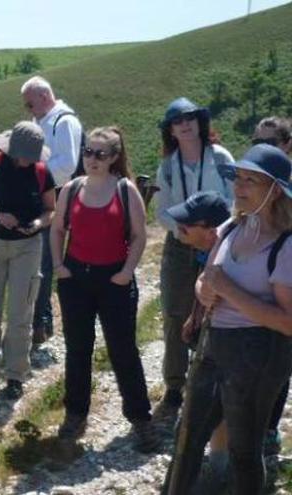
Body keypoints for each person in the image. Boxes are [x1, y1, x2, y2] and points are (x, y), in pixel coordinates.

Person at [165, 144, 292, 494]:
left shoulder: (286, 245)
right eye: (238, 178)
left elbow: (287, 322)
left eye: (251, 180)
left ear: (275, 190)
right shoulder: (231, 228)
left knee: (243, 451)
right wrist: (202, 289)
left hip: (259, 355)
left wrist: (229, 291)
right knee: (186, 438)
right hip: (214, 345)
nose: (239, 187)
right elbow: (208, 278)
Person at [51, 127, 159, 453]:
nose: (92, 159)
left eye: (100, 154)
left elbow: (139, 236)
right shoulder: (71, 189)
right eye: (88, 152)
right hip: (76, 279)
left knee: (123, 350)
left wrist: (127, 272)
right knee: (78, 349)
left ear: (114, 157)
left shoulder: (126, 190)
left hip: (114, 280)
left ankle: (141, 418)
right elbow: (57, 230)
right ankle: (75, 413)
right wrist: (59, 267)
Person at [153, 97, 234, 417]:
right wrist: (185, 230)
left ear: (201, 122)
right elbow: (160, 212)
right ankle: (175, 384)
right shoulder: (168, 167)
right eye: (177, 121)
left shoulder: (221, 157)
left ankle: (212, 380)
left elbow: (234, 200)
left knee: (215, 311)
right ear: (170, 131)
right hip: (179, 245)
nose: (184, 125)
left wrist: (209, 232)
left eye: (190, 118)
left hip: (215, 243)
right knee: (174, 313)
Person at [0, 121, 55, 398]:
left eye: (32, 156)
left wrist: (38, 223)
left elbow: (51, 209)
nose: (28, 161)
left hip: (28, 246)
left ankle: (16, 375)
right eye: (24, 155)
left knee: (21, 313)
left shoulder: (42, 172)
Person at [160, 191, 232, 492]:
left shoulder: (229, 251)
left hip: (228, 348)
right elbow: (205, 280)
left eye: (187, 225)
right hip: (211, 343)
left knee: (210, 412)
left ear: (207, 228)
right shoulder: (212, 249)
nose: (181, 229)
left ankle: (218, 474)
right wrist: (194, 315)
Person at [21, 76, 83, 345]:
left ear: (44, 97)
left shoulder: (64, 122)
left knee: (44, 258)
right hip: (44, 193)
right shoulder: (43, 121)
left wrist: (33, 171)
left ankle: (39, 323)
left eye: (29, 104)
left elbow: (67, 165)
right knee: (40, 257)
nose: (28, 109)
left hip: (58, 196)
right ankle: (42, 321)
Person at [252, 116, 292, 455]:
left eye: (270, 141)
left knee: (280, 359)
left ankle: (268, 429)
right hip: (257, 279)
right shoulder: (250, 181)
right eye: (256, 142)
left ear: (286, 144)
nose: (262, 148)